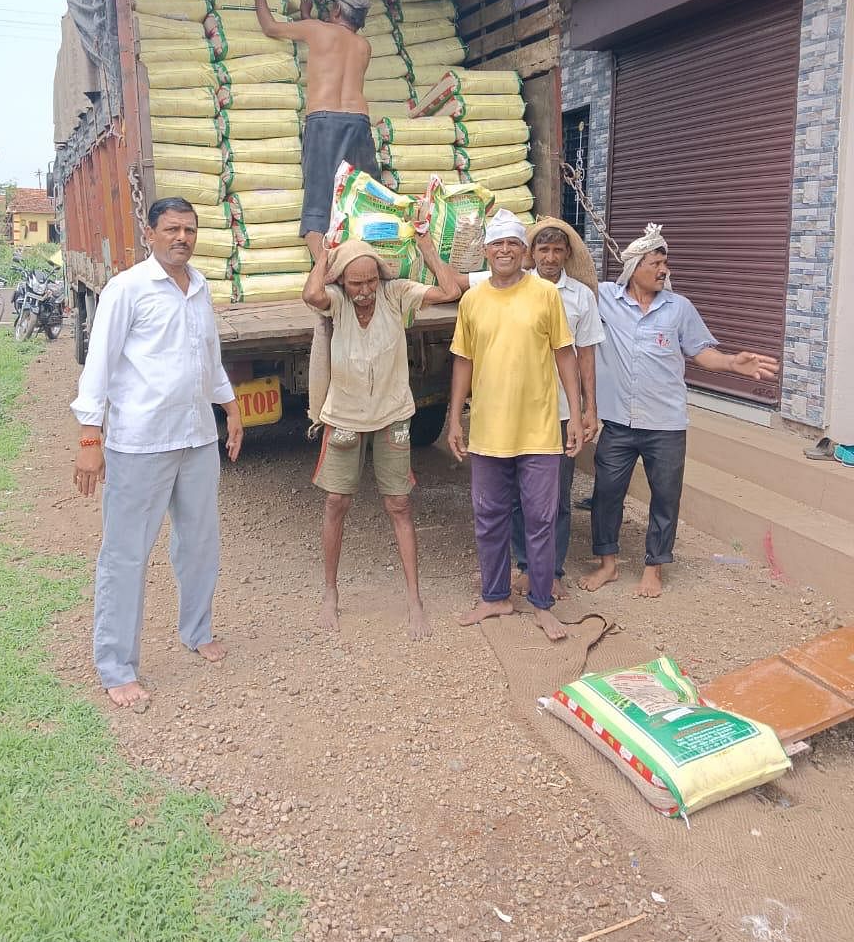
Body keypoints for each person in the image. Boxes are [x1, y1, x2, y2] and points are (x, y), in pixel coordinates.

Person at [71, 197, 243, 711]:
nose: (182, 238)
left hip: (195, 438)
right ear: (149, 233)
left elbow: (208, 359)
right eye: (171, 229)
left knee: (199, 544)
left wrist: (231, 409)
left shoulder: (201, 286)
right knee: (126, 554)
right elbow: (97, 367)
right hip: (140, 444)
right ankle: (117, 666)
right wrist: (88, 440)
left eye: (189, 230)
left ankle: (197, 630)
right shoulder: (127, 289)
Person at [582, 223, 779, 598]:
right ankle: (607, 564)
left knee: (665, 497)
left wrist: (732, 363)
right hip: (619, 422)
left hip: (666, 424)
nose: (663, 270)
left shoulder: (678, 308)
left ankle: (654, 567)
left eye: (664, 263)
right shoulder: (605, 297)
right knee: (606, 494)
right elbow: (573, 279)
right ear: (634, 267)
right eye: (655, 262)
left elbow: (701, 351)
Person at [303, 231, 461, 639]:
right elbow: (311, 295)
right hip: (344, 416)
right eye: (356, 283)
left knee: (399, 505)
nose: (365, 291)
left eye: (371, 281)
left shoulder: (397, 295)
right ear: (342, 283)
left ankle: (414, 600)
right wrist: (326, 255)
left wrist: (427, 249)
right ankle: (330, 594)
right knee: (336, 502)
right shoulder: (336, 302)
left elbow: (448, 290)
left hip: (392, 415)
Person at [448, 210, 584, 641]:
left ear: (523, 253)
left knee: (540, 518)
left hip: (540, 429)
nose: (505, 250)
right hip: (489, 430)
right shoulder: (473, 300)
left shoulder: (545, 295)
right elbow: (464, 360)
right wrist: (454, 417)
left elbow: (566, 355)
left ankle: (542, 603)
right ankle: (495, 597)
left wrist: (577, 414)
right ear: (486, 252)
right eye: (496, 244)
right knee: (488, 516)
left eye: (512, 244)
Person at [245, 0, 377, 262]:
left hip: (324, 122)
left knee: (319, 199)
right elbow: (333, 47)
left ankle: (324, 268)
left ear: (337, 9)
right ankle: (363, 259)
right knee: (359, 195)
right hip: (358, 122)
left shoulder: (317, 29)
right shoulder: (364, 46)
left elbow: (271, 27)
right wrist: (309, 17)